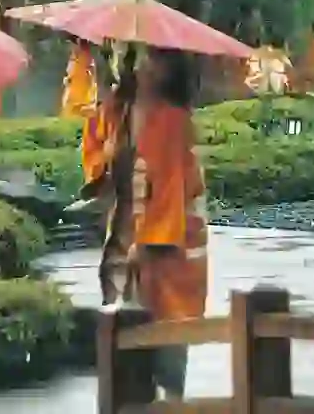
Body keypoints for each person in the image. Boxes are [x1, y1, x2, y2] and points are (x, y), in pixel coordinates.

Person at [101, 48, 210, 400]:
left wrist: (146, 243)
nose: (141, 66)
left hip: (168, 249)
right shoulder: (127, 114)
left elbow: (170, 191)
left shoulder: (171, 121)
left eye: (151, 59)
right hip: (134, 241)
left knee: (167, 341)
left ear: (166, 72)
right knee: (131, 342)